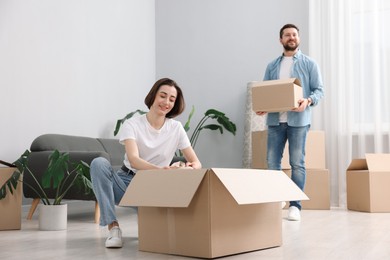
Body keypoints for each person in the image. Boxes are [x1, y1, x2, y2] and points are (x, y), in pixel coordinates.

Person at [90, 78, 202, 248]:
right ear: (153, 96)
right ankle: (113, 227)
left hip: (156, 187)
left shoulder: (176, 128)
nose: (166, 102)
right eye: (162, 96)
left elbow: (196, 162)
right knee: (98, 163)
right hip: (126, 184)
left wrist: (186, 167)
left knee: (162, 237)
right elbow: (134, 160)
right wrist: (160, 171)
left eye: (172, 99)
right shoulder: (132, 124)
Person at [256, 24, 324, 221]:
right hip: (276, 121)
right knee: (272, 163)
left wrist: (308, 101)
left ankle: (295, 205)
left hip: (299, 121)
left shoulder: (309, 64)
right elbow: (267, 91)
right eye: (287, 35)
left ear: (298, 38)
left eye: (294, 34)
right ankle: (278, 199)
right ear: (281, 40)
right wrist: (263, 106)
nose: (291, 37)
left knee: (297, 163)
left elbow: (319, 90)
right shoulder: (272, 66)